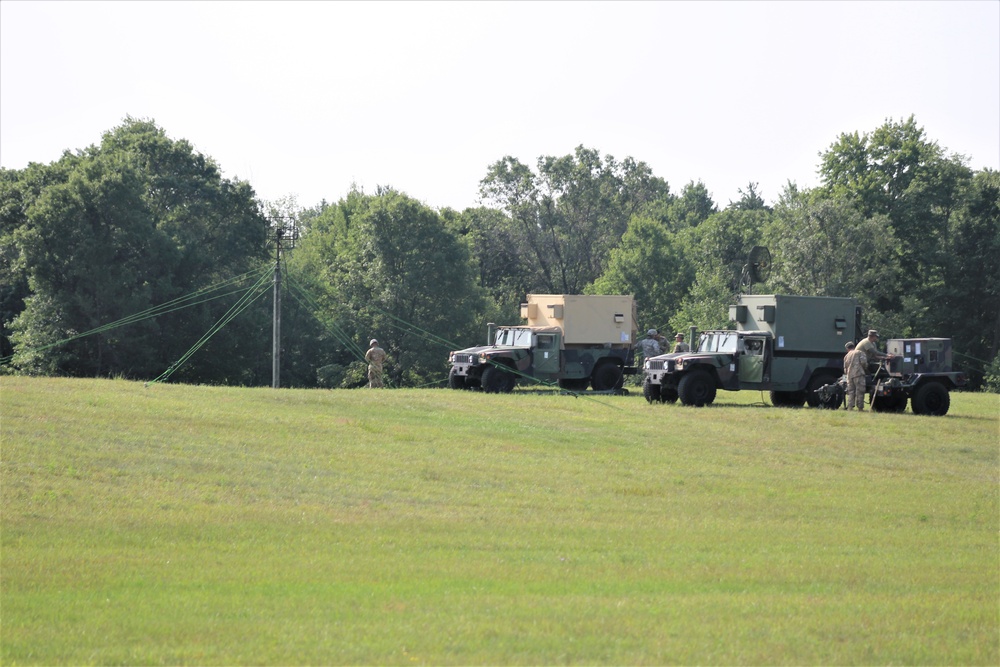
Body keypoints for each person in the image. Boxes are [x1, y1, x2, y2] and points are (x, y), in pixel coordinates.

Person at [843, 341, 868, 411]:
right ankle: (860, 408)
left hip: (849, 376)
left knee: (851, 392)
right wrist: (865, 368)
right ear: (854, 346)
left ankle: (850, 407)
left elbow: (845, 368)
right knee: (860, 391)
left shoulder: (846, 356)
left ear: (847, 349)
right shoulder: (859, 352)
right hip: (859, 374)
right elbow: (863, 362)